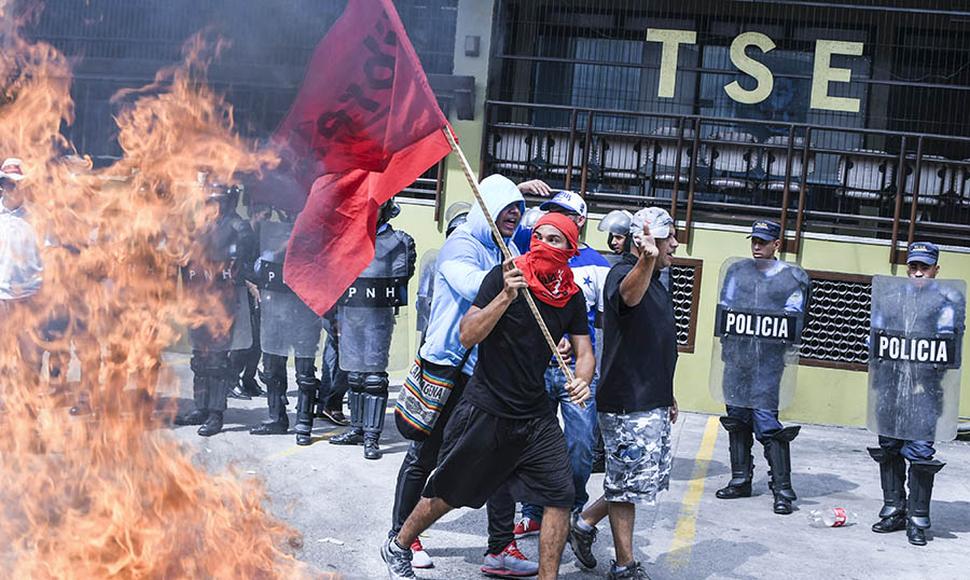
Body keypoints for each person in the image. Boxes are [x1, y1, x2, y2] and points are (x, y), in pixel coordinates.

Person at [382, 212, 594, 580]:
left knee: (560, 494)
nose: (544, 244)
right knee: (448, 492)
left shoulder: (571, 296)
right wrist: (506, 296)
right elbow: (468, 334)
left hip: (536, 416)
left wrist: (582, 379)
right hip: (487, 407)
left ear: (571, 248)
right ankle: (399, 544)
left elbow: (585, 351)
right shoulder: (505, 275)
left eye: (555, 239)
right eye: (539, 236)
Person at [388, 175, 538, 574]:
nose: (513, 216)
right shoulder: (462, 245)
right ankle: (401, 535)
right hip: (446, 368)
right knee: (426, 454)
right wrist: (508, 284)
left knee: (497, 457)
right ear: (486, 208)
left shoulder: (502, 248)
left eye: (516, 211)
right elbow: (473, 285)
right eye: (505, 208)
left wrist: (528, 198)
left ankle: (500, 548)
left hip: (482, 372)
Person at [568, 207, 679, 580]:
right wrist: (645, 261)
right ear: (645, 242)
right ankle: (624, 565)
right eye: (670, 238)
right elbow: (628, 297)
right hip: (626, 403)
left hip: (653, 398)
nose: (675, 245)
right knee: (624, 484)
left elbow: (657, 343)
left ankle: (583, 525)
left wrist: (669, 393)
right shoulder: (622, 274)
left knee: (632, 482)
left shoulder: (660, 282)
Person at [515, 191, 610, 540]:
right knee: (530, 441)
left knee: (581, 446)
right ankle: (531, 511)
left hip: (577, 371)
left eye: (563, 214)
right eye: (550, 212)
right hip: (537, 367)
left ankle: (570, 505)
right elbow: (502, 217)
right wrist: (522, 190)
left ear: (580, 222)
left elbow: (602, 324)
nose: (553, 218)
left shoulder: (599, 266)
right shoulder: (529, 248)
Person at [867, 241, 964, 546]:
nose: (919, 273)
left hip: (925, 390)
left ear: (937, 269)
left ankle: (917, 518)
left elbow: (949, 347)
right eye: (914, 266)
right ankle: (895, 509)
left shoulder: (948, 300)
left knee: (920, 453)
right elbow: (877, 338)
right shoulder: (892, 297)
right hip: (892, 388)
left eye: (925, 267)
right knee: (889, 447)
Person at [713, 220, 807, 515]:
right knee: (737, 417)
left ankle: (782, 490)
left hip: (767, 361)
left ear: (777, 244)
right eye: (754, 240)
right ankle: (740, 479)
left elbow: (794, 318)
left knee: (766, 422)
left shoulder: (791, 278)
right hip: (737, 357)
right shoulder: (737, 271)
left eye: (763, 242)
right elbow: (725, 307)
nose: (757, 246)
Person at [330, 199, 416, 459]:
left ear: (386, 208)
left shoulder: (399, 241)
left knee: (374, 379)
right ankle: (356, 427)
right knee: (354, 375)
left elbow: (401, 278)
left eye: (375, 206)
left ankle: (371, 437)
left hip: (377, 317)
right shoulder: (347, 239)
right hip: (351, 314)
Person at [174, 181, 258, 437]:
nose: (213, 205)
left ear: (230, 201)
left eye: (218, 200)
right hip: (197, 298)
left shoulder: (239, 227)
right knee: (199, 357)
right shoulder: (200, 225)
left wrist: (231, 269)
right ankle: (200, 407)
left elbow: (245, 262)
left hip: (224, 301)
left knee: (218, 360)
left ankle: (215, 413)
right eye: (209, 200)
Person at [248, 207, 323, 445]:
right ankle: (276, 419)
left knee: (305, 375)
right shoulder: (271, 243)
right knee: (271, 370)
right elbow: (255, 270)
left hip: (304, 316)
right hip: (275, 313)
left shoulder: (316, 241)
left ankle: (304, 424)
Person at [0, 158, 44, 371]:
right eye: (8, 183)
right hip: (1, 300)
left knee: (31, 358)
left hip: (30, 298)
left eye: (17, 183)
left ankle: (30, 402)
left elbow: (52, 254)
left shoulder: (38, 216)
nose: (12, 188)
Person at [229, 200, 273, 399]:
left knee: (258, 342)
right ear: (254, 212)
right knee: (245, 340)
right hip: (242, 292)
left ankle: (249, 379)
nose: (267, 219)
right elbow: (236, 267)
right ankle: (232, 380)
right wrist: (251, 285)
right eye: (264, 215)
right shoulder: (243, 234)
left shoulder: (264, 237)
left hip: (261, 292)